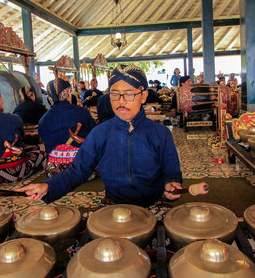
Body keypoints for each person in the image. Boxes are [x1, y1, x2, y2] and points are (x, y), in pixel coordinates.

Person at [19, 64, 183, 210]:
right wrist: (48, 186)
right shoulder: (100, 133)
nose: (120, 101)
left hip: (153, 204)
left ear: (143, 96)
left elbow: (172, 172)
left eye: (128, 94)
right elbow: (77, 172)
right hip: (115, 205)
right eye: (114, 94)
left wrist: (172, 184)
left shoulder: (160, 133)